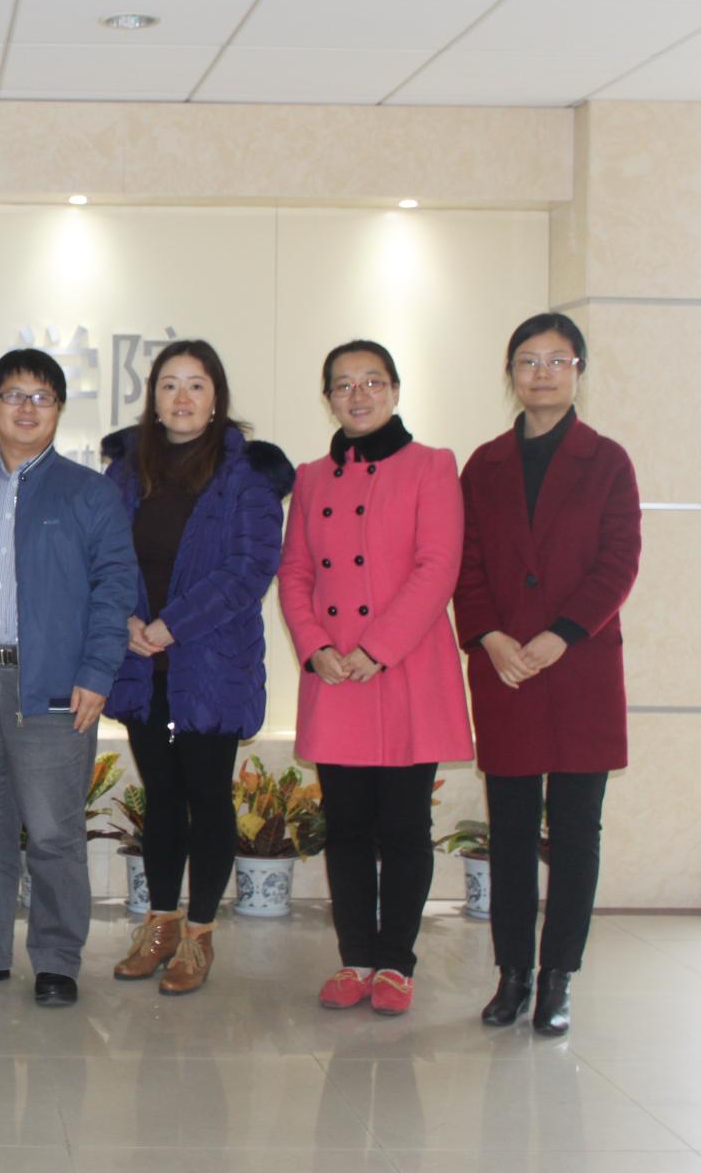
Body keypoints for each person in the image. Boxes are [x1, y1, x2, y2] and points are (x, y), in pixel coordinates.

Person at [0, 349, 136, 1009]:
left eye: (41, 397)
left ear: (58, 410)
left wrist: (97, 671)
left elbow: (115, 588)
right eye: (13, 395)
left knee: (52, 834)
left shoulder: (89, 492)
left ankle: (57, 959)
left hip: (53, 690)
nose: (26, 408)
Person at [455, 312, 640, 1036]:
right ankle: (513, 975)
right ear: (510, 373)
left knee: (575, 832)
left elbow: (619, 562)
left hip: (580, 665)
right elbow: (465, 564)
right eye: (528, 360)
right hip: (505, 669)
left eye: (557, 360)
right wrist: (491, 637)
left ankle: (559, 977)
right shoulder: (484, 465)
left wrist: (563, 634)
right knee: (508, 830)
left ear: (578, 371)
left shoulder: (609, 460)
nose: (542, 373)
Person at [278, 339, 473, 1017]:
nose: (358, 395)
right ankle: (355, 956)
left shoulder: (432, 465)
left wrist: (378, 647)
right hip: (335, 674)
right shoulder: (310, 478)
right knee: (347, 826)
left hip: (405, 668)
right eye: (343, 384)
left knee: (404, 825)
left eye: (372, 382)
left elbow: (438, 566)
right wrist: (314, 646)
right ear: (328, 398)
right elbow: (295, 572)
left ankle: (396, 963)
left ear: (394, 390)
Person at [103, 339, 292, 995]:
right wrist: (127, 620)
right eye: (168, 385)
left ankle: (200, 934)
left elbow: (250, 569)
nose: (181, 398)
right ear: (152, 399)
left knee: (207, 799)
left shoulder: (248, 476)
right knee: (161, 799)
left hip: (212, 663)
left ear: (216, 400)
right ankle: (160, 924)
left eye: (196, 385)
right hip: (140, 664)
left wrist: (172, 624)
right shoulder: (126, 472)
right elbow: (103, 558)